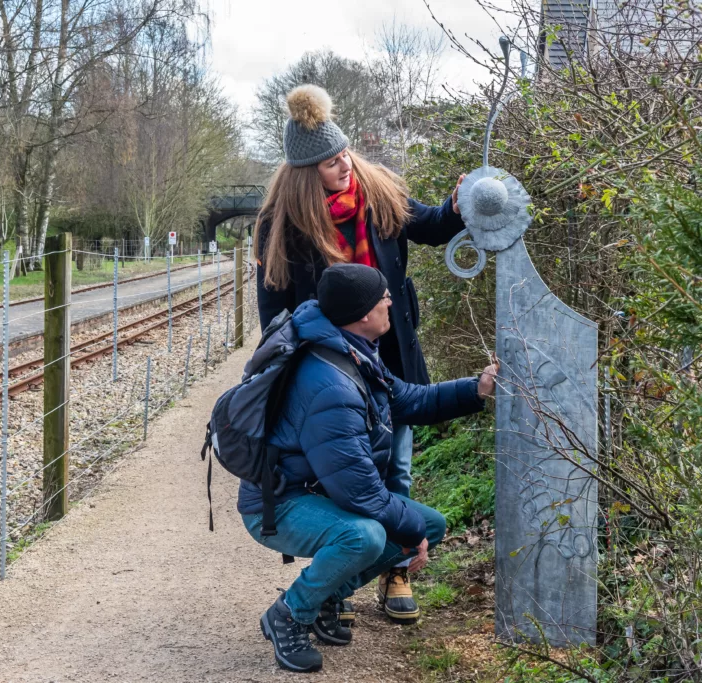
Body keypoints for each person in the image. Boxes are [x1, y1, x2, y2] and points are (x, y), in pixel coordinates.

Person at [254, 84, 467, 618]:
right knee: (336, 474)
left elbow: (435, 227)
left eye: (344, 151)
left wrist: (458, 206)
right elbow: (272, 315)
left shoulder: (379, 193)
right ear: (307, 173)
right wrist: (288, 378)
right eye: (330, 162)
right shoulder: (281, 224)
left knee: (396, 466)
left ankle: (396, 575)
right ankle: (336, 579)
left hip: (390, 353)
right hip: (326, 370)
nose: (344, 163)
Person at [239, 263, 497, 673]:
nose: (391, 301)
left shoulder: (353, 350)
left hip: (314, 489)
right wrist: (406, 530)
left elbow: (408, 399)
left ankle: (325, 597)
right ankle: (289, 613)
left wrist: (475, 389)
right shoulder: (329, 384)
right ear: (363, 314)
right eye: (383, 299)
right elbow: (357, 490)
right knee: (366, 535)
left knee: (429, 524)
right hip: (280, 503)